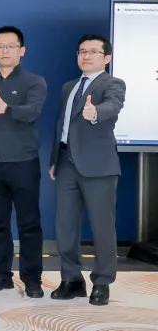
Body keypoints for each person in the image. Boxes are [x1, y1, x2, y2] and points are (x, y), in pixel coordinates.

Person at [0, 26, 47, 298]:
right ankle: (2, 275)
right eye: (0, 46)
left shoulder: (34, 81)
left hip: (23, 163)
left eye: (10, 46)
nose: (5, 51)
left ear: (21, 50)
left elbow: (33, 112)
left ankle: (32, 279)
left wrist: (6, 108)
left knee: (29, 224)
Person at [49, 34, 125, 306]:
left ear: (107, 58)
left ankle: (102, 282)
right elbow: (61, 125)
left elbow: (113, 105)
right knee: (65, 226)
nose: (86, 56)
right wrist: (55, 160)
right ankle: (71, 279)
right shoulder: (68, 87)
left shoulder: (113, 83)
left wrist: (95, 113)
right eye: (82, 51)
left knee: (102, 227)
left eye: (93, 51)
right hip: (66, 163)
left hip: (98, 166)